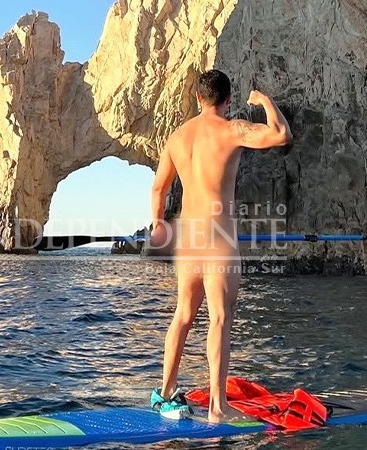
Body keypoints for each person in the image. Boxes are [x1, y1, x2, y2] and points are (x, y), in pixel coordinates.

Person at [148, 69, 292, 423]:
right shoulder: (232, 130)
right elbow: (281, 134)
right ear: (227, 100)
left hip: (189, 238)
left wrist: (158, 223)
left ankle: (164, 392)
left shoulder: (177, 138)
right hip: (218, 239)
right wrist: (264, 101)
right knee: (220, 318)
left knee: (183, 315)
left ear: (199, 98)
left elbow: (159, 189)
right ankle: (217, 405)